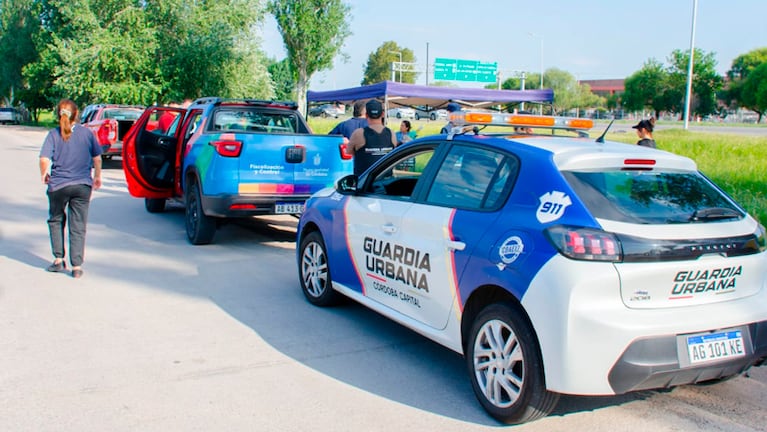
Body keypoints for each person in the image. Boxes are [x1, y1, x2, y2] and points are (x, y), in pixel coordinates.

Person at [39, 99, 103, 279]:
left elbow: (44, 158)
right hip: (82, 185)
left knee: (56, 220)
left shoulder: (53, 134)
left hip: (58, 185)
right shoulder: (87, 134)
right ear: (77, 114)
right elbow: (97, 158)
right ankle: (77, 266)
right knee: (78, 224)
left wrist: (44, 173)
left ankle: (59, 259)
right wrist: (97, 176)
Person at [347, 99, 397, 176]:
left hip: (365, 183)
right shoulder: (391, 134)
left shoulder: (358, 134)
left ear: (366, 115)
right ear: (383, 114)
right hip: (385, 183)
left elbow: (349, 152)